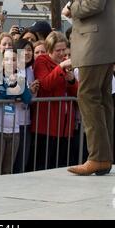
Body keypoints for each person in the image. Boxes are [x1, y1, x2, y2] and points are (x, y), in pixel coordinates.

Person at [62, 0, 115, 175]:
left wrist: (70, 9)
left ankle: (97, 156)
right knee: (101, 99)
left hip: (93, 43)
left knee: (88, 96)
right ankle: (103, 157)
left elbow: (93, 3)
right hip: (102, 42)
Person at [32, 32, 79, 170]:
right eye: (58, 50)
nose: (61, 53)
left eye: (64, 49)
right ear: (50, 50)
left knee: (61, 164)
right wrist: (61, 67)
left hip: (65, 124)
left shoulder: (65, 64)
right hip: (47, 123)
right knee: (44, 164)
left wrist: (71, 80)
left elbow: (76, 92)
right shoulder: (42, 61)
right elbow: (45, 84)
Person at [0, 49, 33, 175]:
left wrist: (19, 85)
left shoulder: (20, 78)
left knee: (8, 169)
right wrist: (10, 93)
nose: (10, 62)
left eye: (13, 59)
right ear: (2, 62)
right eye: (6, 59)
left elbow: (28, 99)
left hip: (15, 129)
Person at [12, 39, 39, 173]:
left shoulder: (31, 71)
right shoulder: (11, 70)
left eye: (30, 50)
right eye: (24, 50)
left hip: (26, 121)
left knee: (23, 160)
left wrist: (32, 92)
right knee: (11, 161)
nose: (28, 53)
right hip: (12, 122)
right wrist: (27, 91)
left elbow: (31, 97)